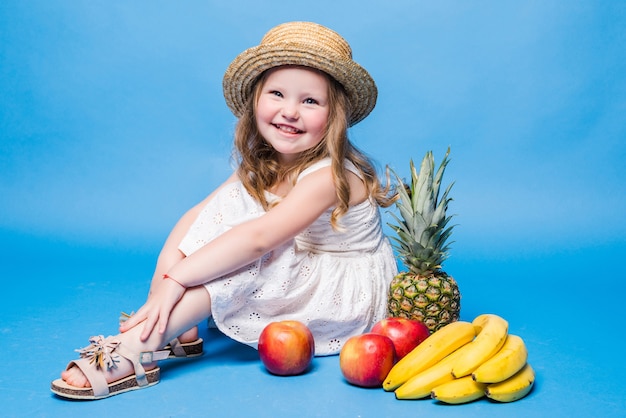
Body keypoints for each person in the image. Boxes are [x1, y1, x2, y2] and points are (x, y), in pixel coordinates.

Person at [51, 21, 398, 400]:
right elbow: (200, 214)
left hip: (342, 286)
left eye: (310, 101)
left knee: (260, 251)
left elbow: (259, 239)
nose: (290, 111)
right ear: (255, 100)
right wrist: (164, 277)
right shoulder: (267, 162)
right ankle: (173, 323)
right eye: (277, 94)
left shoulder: (330, 178)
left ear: (335, 116)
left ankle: (139, 346)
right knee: (234, 203)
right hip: (295, 259)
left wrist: (180, 280)